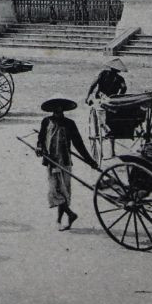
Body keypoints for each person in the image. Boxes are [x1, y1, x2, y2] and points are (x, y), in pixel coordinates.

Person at [36, 95, 100, 230]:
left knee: (64, 191)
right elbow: (41, 138)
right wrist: (39, 147)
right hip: (51, 162)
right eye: (55, 107)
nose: (58, 110)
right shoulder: (46, 121)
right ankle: (69, 215)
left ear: (63, 108)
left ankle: (61, 219)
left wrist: (90, 161)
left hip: (64, 161)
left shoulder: (70, 123)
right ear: (52, 109)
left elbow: (78, 144)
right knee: (54, 190)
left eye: (60, 107)